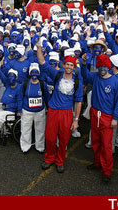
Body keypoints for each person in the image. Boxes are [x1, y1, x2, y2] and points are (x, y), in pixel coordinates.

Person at [36, 41, 83, 173]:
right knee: (50, 137)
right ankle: (49, 158)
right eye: (67, 64)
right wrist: (39, 46)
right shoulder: (56, 74)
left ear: (74, 67)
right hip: (53, 111)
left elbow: (78, 101)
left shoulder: (77, 81)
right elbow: (42, 62)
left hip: (67, 113)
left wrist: (76, 119)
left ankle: (60, 161)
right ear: (64, 65)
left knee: (63, 139)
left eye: (71, 65)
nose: (69, 67)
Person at [82, 54, 118, 183]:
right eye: (100, 67)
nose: (102, 69)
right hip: (95, 113)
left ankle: (107, 171)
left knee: (106, 145)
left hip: (107, 116)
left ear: (109, 67)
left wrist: (115, 118)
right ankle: (97, 162)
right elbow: (86, 75)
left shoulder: (116, 82)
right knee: (96, 141)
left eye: (105, 66)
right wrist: (83, 63)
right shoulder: (96, 77)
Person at [20, 63, 49, 153]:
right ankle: (25, 147)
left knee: (40, 129)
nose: (34, 74)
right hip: (27, 110)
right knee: (25, 129)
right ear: (29, 73)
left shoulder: (42, 84)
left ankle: (40, 147)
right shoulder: (25, 83)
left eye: (36, 72)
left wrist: (49, 108)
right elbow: (20, 97)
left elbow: (47, 96)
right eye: (32, 72)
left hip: (40, 111)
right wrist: (19, 109)